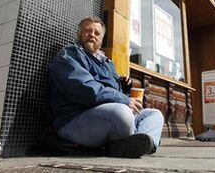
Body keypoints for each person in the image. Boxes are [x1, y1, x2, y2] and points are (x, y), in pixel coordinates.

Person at [48, 17, 164, 158]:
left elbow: (115, 95)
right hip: (74, 119)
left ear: (101, 39)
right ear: (79, 34)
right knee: (122, 113)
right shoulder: (69, 55)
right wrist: (123, 99)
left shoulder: (106, 62)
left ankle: (141, 144)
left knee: (154, 114)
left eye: (97, 33)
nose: (92, 35)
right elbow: (86, 89)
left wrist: (124, 88)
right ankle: (131, 142)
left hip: (106, 116)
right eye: (87, 31)